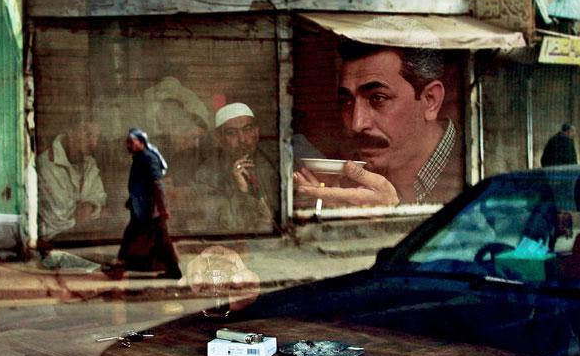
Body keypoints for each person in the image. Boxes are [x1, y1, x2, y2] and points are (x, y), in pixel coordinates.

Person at [294, 41, 460, 207]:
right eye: (347, 102)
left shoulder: (473, 167)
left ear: (430, 100)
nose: (356, 124)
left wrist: (391, 216)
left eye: (377, 98)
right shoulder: (347, 176)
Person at [194, 103, 279, 233]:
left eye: (247, 129)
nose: (242, 139)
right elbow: (223, 227)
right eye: (232, 133)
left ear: (256, 132)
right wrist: (241, 191)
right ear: (219, 139)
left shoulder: (274, 161)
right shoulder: (206, 175)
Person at [109, 129, 182, 279]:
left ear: (141, 142)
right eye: (127, 142)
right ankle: (122, 265)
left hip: (150, 209)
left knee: (155, 239)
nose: (128, 145)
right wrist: (132, 200)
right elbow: (140, 184)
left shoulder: (148, 159)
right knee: (141, 237)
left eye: (131, 142)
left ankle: (121, 266)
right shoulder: (139, 158)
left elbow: (157, 184)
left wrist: (162, 208)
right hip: (142, 207)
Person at [36, 112, 108, 241]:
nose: (94, 143)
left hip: (82, 237)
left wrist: (90, 205)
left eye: (97, 137)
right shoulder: (46, 165)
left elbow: (100, 197)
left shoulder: (89, 163)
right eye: (88, 135)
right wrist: (93, 211)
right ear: (70, 132)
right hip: (54, 243)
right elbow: (59, 219)